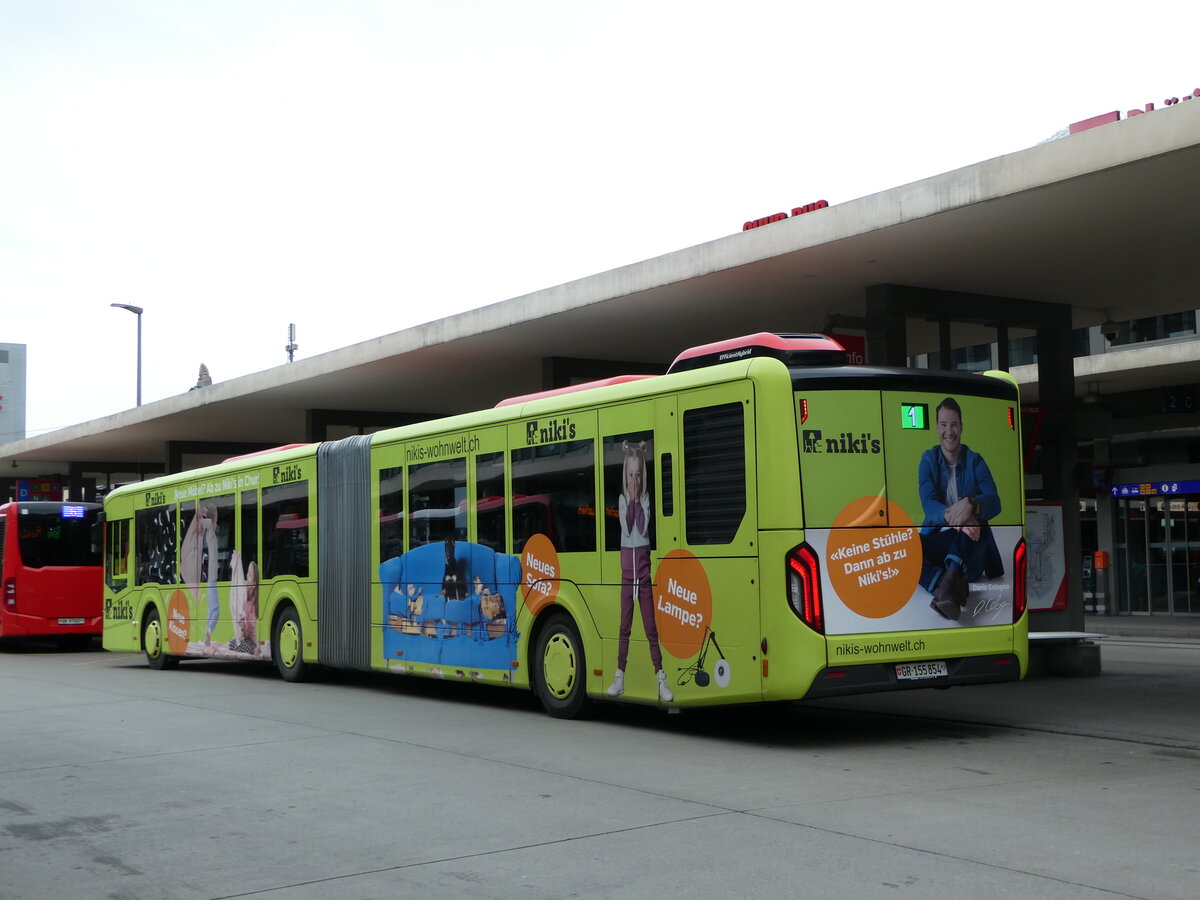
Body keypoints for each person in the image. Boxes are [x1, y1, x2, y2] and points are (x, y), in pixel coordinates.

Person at [919, 398, 1004, 620]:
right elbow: (928, 504)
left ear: (961, 427)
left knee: (978, 519)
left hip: (971, 550)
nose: (949, 431)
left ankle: (950, 579)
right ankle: (946, 584)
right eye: (944, 424)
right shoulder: (928, 460)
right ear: (937, 427)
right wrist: (958, 518)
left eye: (954, 424)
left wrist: (971, 504)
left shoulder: (975, 461)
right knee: (906, 550)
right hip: (942, 539)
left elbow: (995, 502)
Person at [606, 441, 673, 702]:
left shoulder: (645, 499)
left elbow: (643, 529)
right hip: (626, 575)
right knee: (625, 627)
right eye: (630, 474)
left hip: (643, 576)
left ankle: (661, 678)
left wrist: (638, 500)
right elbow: (626, 526)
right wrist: (630, 501)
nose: (634, 478)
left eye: (637, 474)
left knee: (650, 628)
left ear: (642, 475)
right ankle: (619, 676)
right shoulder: (623, 501)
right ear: (625, 475)